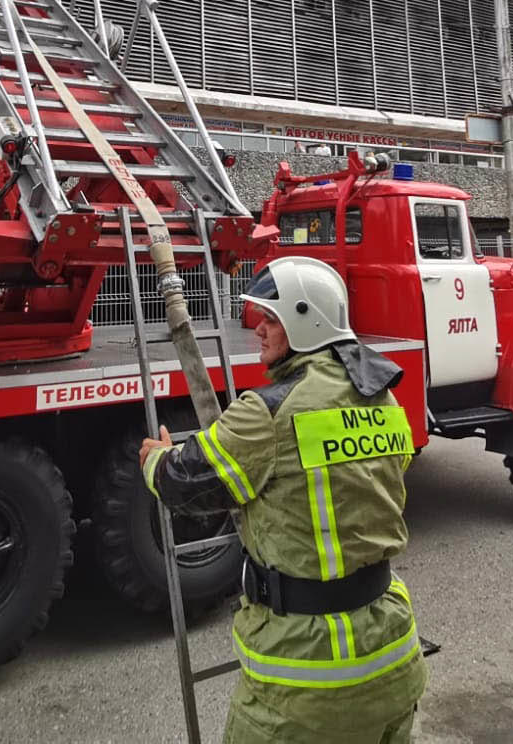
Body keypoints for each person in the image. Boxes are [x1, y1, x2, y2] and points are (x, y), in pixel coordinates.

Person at [139, 256, 426, 743]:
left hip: (304, 679)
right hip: (393, 649)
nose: (258, 330)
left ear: (304, 321)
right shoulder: (384, 397)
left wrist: (155, 459)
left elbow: (184, 484)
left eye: (271, 318)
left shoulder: (266, 412)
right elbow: (388, 473)